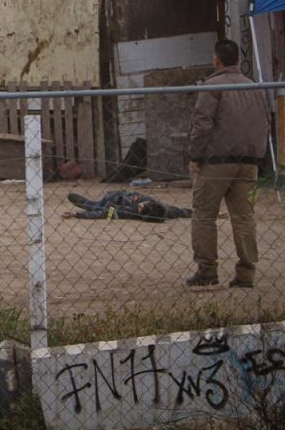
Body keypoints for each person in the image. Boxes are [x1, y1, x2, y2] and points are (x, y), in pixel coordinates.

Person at [185, 39, 269, 289]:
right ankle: (246, 273)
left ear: (216, 60)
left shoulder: (212, 86)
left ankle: (207, 269)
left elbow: (203, 124)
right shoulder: (254, 86)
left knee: (203, 215)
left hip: (217, 161)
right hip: (249, 161)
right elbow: (264, 122)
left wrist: (195, 155)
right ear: (238, 61)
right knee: (244, 216)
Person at [62, 191, 193, 221]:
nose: (143, 202)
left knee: (92, 206)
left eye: (142, 206)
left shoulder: (130, 212)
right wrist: (196, 213)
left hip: (108, 204)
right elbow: (180, 212)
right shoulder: (162, 209)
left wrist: (77, 214)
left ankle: (85, 204)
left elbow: (104, 214)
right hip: (119, 194)